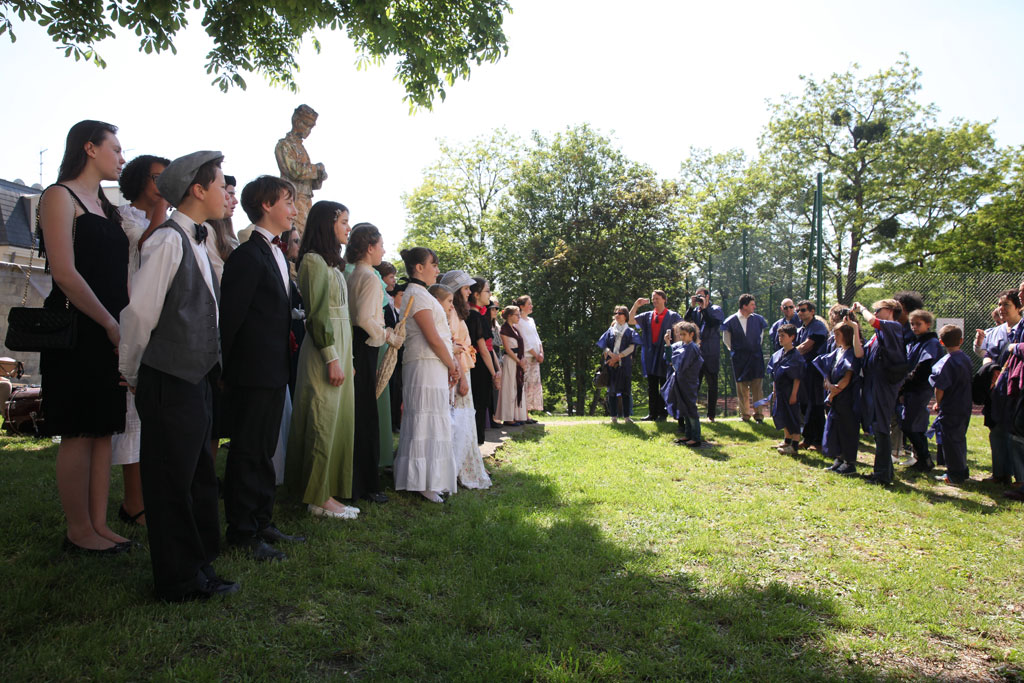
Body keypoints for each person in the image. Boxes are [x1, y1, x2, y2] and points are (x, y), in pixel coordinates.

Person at [120, 149, 236, 600]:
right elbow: (139, 315)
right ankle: (178, 578)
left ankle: (200, 563)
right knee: (170, 482)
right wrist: (132, 372)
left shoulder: (198, 240)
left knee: (198, 476)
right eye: (221, 182)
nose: (227, 191)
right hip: (169, 376)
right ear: (197, 188)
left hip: (197, 377)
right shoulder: (168, 240)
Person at [38, 120, 131, 554]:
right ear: (90, 149)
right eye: (116, 147)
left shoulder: (106, 206)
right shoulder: (60, 196)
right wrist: (110, 324)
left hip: (110, 331)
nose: (122, 157)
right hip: (78, 329)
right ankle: (79, 529)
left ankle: (99, 525)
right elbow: (65, 273)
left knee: (103, 429)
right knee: (78, 428)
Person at [220, 175, 306, 562]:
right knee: (248, 452)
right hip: (251, 373)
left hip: (274, 369)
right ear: (267, 206)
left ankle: (262, 519)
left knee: (266, 449)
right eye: (288, 201)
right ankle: (241, 530)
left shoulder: (277, 253)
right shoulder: (246, 254)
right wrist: (229, 374)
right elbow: (231, 320)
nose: (294, 209)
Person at [284, 201, 360, 521]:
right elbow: (316, 318)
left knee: (337, 422)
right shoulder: (313, 262)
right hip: (322, 352)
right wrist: (332, 358)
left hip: (340, 349)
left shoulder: (332, 265)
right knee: (321, 421)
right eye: (343, 221)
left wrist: (347, 357)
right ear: (327, 224)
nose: (347, 227)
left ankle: (326, 489)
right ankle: (317, 497)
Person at [111, 153, 171, 528]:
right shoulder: (126, 217)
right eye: (156, 179)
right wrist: (164, 206)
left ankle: (150, 496)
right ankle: (133, 504)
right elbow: (146, 246)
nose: (162, 186)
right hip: (132, 322)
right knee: (133, 421)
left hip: (161, 327)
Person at [393, 247, 459, 502]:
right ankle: (420, 479)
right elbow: (432, 337)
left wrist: (450, 363)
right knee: (423, 419)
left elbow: (441, 336)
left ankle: (432, 477)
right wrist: (451, 365)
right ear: (419, 267)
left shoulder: (422, 294)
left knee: (435, 419)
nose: (437, 270)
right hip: (423, 364)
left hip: (434, 364)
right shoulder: (415, 295)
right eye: (434, 264)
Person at [345, 223, 401, 504]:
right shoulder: (368, 277)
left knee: (361, 415)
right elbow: (366, 319)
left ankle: (358, 481)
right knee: (366, 416)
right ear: (369, 248)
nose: (384, 250)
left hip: (357, 346)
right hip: (365, 346)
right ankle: (366, 484)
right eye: (381, 245)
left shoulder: (356, 274)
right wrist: (387, 336)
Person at [440, 270, 492, 489]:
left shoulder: (457, 312)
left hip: (465, 366)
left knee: (466, 420)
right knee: (460, 420)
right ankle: (459, 468)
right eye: (465, 288)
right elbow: (452, 345)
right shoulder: (451, 313)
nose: (469, 292)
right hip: (460, 369)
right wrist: (460, 377)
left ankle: (467, 465)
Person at [851, 299, 908, 486]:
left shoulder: (894, 327)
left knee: (882, 427)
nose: (875, 313)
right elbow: (860, 353)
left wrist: (862, 309)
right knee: (877, 427)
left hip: (884, 385)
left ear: (891, 310)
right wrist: (854, 326)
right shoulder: (877, 336)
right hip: (873, 384)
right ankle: (883, 472)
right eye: (873, 310)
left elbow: (873, 322)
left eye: (878, 309)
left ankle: (882, 475)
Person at [814, 321, 864, 476]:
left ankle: (849, 463)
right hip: (835, 397)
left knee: (847, 429)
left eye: (838, 334)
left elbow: (847, 377)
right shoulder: (838, 351)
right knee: (835, 428)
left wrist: (832, 392)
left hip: (847, 399)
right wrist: (827, 383)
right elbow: (826, 371)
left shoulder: (851, 353)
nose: (834, 337)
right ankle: (839, 459)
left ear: (847, 335)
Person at [900, 309, 944, 471]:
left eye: (918, 324)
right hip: (912, 389)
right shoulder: (916, 341)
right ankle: (922, 459)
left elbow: (923, 368)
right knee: (910, 424)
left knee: (911, 425)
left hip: (920, 388)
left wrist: (904, 385)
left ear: (928, 324)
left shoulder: (931, 343)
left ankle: (925, 459)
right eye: (912, 324)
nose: (914, 327)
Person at [989, 290, 1024, 494]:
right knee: (1000, 430)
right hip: (1008, 384)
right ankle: (1002, 474)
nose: (1021, 296)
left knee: (1018, 433)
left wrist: (1014, 347)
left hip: (1018, 386)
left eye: (1007, 304)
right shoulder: (1001, 329)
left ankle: (1020, 481)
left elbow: (1014, 349)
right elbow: (989, 352)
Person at [930, 325, 974, 484]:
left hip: (950, 406)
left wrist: (938, 403)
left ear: (941, 342)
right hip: (964, 404)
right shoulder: (965, 359)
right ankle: (962, 470)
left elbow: (940, 387)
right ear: (961, 340)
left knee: (950, 441)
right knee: (960, 438)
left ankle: (954, 474)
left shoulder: (945, 362)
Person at [628, 290, 682, 421]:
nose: (655, 301)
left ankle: (663, 413)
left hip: (665, 354)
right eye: (653, 299)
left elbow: (681, 333)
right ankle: (652, 413)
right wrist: (636, 305)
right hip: (650, 355)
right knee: (651, 385)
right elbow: (630, 321)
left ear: (664, 299)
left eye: (657, 298)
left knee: (664, 384)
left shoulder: (673, 316)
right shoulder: (647, 315)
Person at [722, 293, 768, 422]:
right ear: (744, 306)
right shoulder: (730, 321)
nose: (755, 306)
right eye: (752, 304)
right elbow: (727, 340)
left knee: (757, 388)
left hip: (755, 357)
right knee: (742, 388)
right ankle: (745, 415)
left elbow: (760, 338)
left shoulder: (759, 320)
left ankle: (759, 415)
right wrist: (738, 351)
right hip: (739, 359)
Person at [467, 278, 501, 443]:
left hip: (473, 364)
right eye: (487, 291)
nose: (490, 294)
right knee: (479, 407)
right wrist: (494, 373)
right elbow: (484, 349)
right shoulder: (476, 317)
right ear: (476, 294)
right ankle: (476, 445)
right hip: (480, 367)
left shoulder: (472, 316)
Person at [684, 287, 724, 422]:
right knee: (695, 383)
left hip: (711, 352)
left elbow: (713, 323)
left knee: (712, 383)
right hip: (696, 353)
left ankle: (711, 415)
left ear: (707, 296)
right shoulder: (695, 311)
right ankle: (692, 413)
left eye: (701, 296)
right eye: (697, 296)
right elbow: (685, 322)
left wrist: (705, 308)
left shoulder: (715, 309)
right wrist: (691, 306)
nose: (699, 299)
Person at [662, 321, 704, 446]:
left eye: (684, 334)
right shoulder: (682, 345)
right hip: (680, 380)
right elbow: (669, 358)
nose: (681, 337)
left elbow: (681, 363)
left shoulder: (692, 347)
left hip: (688, 381)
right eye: (680, 334)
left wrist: (674, 363)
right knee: (684, 407)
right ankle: (688, 434)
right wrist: (668, 344)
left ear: (691, 334)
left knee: (690, 407)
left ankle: (695, 437)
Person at [794, 300, 829, 449]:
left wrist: (789, 354)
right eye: (798, 311)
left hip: (815, 371)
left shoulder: (818, 327)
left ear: (812, 311)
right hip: (804, 371)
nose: (800, 313)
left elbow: (806, 347)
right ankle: (807, 438)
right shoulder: (801, 329)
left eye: (803, 310)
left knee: (816, 405)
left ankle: (818, 440)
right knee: (805, 404)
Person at [767, 324, 805, 455]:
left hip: (790, 391)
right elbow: (774, 374)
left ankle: (794, 445)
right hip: (781, 391)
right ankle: (787, 440)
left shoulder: (796, 356)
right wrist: (775, 391)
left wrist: (794, 394)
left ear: (792, 337)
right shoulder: (778, 354)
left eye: (783, 336)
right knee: (782, 415)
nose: (780, 338)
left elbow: (797, 377)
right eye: (779, 335)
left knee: (792, 416)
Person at [596, 306, 638, 424]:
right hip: (611, 365)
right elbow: (603, 345)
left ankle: (626, 417)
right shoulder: (610, 331)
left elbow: (632, 347)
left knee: (626, 391)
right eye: (616, 313)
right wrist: (611, 354)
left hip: (624, 365)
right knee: (612, 391)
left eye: (620, 313)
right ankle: (613, 417)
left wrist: (619, 356)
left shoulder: (630, 331)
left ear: (625, 316)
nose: (617, 315)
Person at [496, 305, 529, 426]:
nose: (519, 317)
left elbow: (521, 345)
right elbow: (508, 348)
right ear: (509, 316)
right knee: (509, 387)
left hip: (518, 360)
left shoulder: (515, 329)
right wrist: (518, 360)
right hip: (510, 360)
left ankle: (517, 415)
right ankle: (508, 417)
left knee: (517, 386)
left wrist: (523, 359)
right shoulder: (504, 329)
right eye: (517, 315)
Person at [515, 294, 544, 421]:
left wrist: (541, 352)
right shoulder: (518, 322)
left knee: (533, 385)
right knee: (525, 384)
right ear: (521, 307)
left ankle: (527, 413)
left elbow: (537, 338)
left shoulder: (531, 320)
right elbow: (524, 340)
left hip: (536, 357)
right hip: (527, 356)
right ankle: (523, 414)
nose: (531, 306)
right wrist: (535, 354)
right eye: (529, 304)